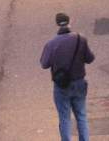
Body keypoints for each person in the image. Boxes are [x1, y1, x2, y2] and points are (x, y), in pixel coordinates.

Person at [40, 12, 95, 141]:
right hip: (79, 82)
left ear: (57, 23)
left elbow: (44, 64)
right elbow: (90, 58)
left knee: (64, 118)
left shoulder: (51, 44)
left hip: (61, 85)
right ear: (70, 21)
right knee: (81, 115)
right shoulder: (80, 39)